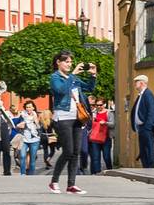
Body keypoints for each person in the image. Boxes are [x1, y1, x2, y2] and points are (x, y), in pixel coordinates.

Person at [48, 53, 97, 195]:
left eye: (70, 62)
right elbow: (61, 90)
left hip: (77, 118)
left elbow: (89, 88)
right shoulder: (55, 77)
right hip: (62, 117)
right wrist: (72, 74)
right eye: (66, 62)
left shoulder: (74, 78)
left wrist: (93, 75)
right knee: (68, 151)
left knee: (76, 152)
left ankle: (71, 185)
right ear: (58, 62)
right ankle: (54, 181)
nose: (69, 64)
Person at [130, 74, 154, 169]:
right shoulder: (141, 95)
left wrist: (147, 126)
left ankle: (151, 170)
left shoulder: (148, 94)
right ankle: (146, 169)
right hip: (142, 128)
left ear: (142, 83)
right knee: (143, 151)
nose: (135, 84)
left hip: (146, 127)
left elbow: (151, 111)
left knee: (149, 150)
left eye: (136, 82)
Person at [16, 100, 41, 174]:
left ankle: (31, 174)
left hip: (35, 139)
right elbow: (16, 126)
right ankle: (23, 173)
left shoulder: (37, 115)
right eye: (27, 107)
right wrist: (19, 126)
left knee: (32, 159)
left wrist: (36, 122)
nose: (28, 108)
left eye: (30, 107)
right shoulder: (22, 116)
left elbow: (40, 128)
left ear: (33, 108)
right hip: (24, 139)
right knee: (22, 156)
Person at [88, 98, 110, 174]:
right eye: (97, 105)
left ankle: (110, 170)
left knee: (106, 156)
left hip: (106, 138)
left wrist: (105, 123)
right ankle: (97, 173)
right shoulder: (94, 113)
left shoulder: (109, 112)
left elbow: (113, 124)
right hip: (95, 137)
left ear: (104, 104)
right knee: (95, 157)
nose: (99, 107)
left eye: (100, 105)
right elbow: (89, 125)